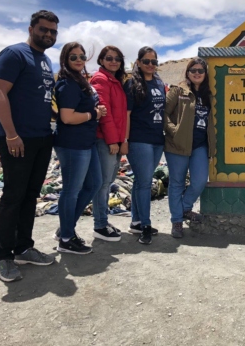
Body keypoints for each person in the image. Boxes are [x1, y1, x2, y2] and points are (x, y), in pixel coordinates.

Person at [0, 10, 59, 282]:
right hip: (17, 139)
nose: (49, 35)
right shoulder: (14, 54)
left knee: (31, 195)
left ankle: (23, 248)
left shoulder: (46, 61)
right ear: (31, 29)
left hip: (42, 138)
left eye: (53, 31)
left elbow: (41, 98)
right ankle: (4, 257)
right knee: (13, 197)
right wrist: (10, 134)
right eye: (44, 29)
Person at [53, 42, 106, 254]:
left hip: (86, 142)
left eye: (82, 56)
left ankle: (65, 229)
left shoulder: (79, 80)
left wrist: (95, 110)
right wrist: (94, 114)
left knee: (94, 184)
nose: (78, 60)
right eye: (73, 57)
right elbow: (67, 117)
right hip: (72, 144)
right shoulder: (68, 83)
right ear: (65, 59)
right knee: (71, 190)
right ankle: (66, 239)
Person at [164, 58, 216, 238]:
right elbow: (164, 113)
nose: (197, 73)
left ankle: (185, 208)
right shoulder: (178, 91)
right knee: (177, 183)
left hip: (200, 145)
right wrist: (174, 131)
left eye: (201, 70)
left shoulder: (209, 94)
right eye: (193, 70)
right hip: (177, 145)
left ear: (205, 74)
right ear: (188, 72)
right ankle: (176, 221)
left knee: (200, 180)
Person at [124, 46, 166, 245]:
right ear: (138, 63)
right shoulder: (132, 84)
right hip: (139, 140)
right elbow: (127, 115)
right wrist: (124, 140)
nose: (151, 65)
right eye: (146, 61)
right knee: (145, 183)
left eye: (154, 61)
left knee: (140, 182)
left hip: (157, 139)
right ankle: (146, 226)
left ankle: (136, 222)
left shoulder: (159, 82)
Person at [89, 46, 128, 242]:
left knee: (107, 181)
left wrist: (121, 140)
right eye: (109, 58)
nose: (114, 62)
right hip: (105, 139)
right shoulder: (100, 79)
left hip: (115, 140)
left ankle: (102, 220)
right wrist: (112, 140)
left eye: (117, 59)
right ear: (101, 60)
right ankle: (100, 225)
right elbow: (104, 113)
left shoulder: (115, 81)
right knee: (103, 183)